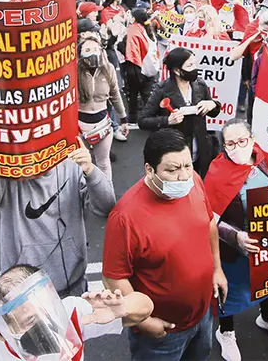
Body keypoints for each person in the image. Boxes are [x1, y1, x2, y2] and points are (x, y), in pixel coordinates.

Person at [0, 90, 115, 297]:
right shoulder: (8, 174)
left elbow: (106, 206)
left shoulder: (72, 163)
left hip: (73, 281)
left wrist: (91, 171)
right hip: (24, 289)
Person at [102, 129, 228, 361]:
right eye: (172, 170)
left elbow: (209, 222)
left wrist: (217, 268)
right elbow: (114, 278)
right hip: (163, 333)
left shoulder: (195, 183)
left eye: (188, 166)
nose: (183, 177)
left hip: (202, 317)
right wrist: (145, 322)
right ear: (150, 170)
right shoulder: (125, 217)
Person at [203, 119, 268, 361]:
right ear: (223, 146)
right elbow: (209, 218)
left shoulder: (264, 161)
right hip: (234, 250)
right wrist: (236, 237)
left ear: (252, 139)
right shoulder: (216, 173)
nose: (237, 147)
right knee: (228, 292)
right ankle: (226, 331)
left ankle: (267, 317)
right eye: (230, 143)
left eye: (242, 141)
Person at [0, 264, 154, 360]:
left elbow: (145, 306)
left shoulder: (70, 313)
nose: (47, 323)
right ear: (1, 332)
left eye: (46, 308)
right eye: (29, 321)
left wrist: (120, 309)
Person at [139, 47, 221, 177]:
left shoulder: (199, 85)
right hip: (174, 150)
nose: (195, 68)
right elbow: (143, 121)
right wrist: (167, 120)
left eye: (195, 64)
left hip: (200, 147)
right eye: (190, 65)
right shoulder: (161, 89)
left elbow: (213, 112)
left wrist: (213, 104)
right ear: (177, 70)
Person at [77, 31, 128, 182]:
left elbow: (115, 94)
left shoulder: (109, 69)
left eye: (95, 49)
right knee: (82, 164)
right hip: (79, 125)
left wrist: (123, 119)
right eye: (87, 50)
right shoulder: (73, 70)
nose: (92, 53)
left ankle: (107, 196)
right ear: (80, 54)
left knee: (103, 163)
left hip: (102, 124)